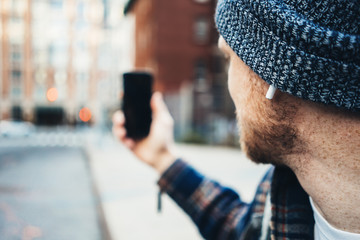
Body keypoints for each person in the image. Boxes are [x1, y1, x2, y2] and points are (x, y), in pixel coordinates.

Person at [113, 0, 360, 239]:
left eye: (228, 57)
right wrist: (163, 159)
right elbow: (237, 229)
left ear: (276, 70)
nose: (229, 85)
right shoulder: (289, 189)